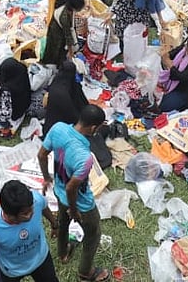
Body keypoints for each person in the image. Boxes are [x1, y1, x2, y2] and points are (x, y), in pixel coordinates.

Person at [38, 104, 107, 282]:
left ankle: (62, 253)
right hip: (81, 203)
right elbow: (72, 188)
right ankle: (86, 272)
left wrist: (46, 178)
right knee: (93, 235)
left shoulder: (58, 128)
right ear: (93, 128)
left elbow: (42, 154)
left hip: (59, 193)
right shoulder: (84, 157)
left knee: (63, 223)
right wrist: (75, 210)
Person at [0, 180, 58, 282]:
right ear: (9, 215)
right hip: (11, 271)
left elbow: (44, 207)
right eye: (25, 213)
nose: (31, 213)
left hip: (40, 259)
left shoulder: (36, 200)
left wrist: (54, 225)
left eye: (31, 208)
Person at [158, 35, 188, 112]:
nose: (186, 51)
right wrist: (166, 57)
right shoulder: (184, 49)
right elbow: (170, 55)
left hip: (186, 91)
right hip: (174, 81)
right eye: (187, 48)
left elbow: (180, 76)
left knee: (163, 107)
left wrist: (170, 65)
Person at [0, 57, 34, 136]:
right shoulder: (22, 71)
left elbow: (5, 114)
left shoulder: (6, 89)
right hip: (23, 108)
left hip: (13, 116)